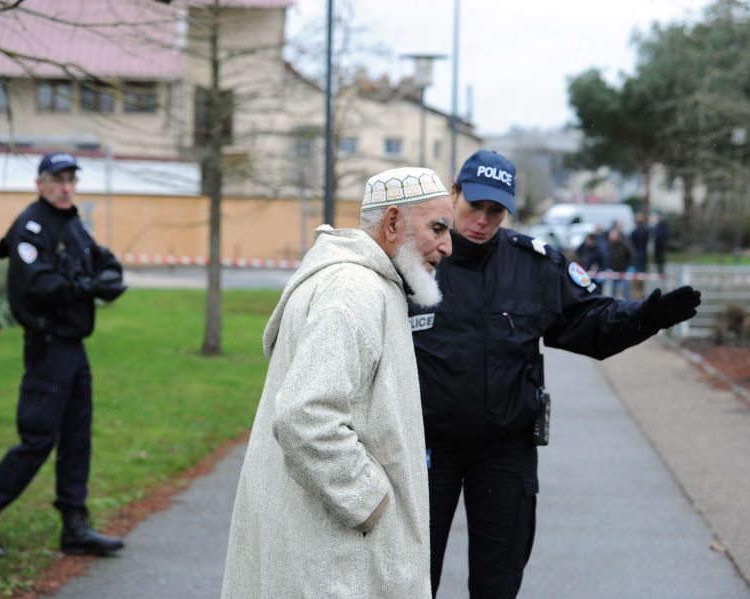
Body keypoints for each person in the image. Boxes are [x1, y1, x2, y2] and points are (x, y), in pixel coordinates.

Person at [408, 149, 701, 599]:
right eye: (474, 205)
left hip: (504, 450)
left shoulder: (533, 266)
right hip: (425, 449)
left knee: (498, 583)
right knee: (410, 579)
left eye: (495, 210)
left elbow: (589, 321)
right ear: (454, 192)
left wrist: (645, 317)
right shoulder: (414, 262)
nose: (482, 220)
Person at [221, 167, 454, 599]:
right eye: (438, 228)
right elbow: (306, 416)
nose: (447, 246)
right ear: (393, 222)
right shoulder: (353, 290)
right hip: (336, 559)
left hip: (330, 548)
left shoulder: (363, 283)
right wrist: (368, 501)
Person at [0, 152, 128, 558]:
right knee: (37, 439)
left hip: (73, 347)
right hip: (48, 348)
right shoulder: (30, 227)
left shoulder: (72, 223)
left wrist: (109, 274)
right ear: (40, 183)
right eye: (58, 179)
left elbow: (100, 258)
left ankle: (74, 526)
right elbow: (40, 285)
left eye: (71, 180)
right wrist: (89, 286)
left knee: (77, 437)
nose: (66, 188)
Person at [606, 228, 634, 299]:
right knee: (613, 291)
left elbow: (631, 256)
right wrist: (609, 267)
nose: (611, 237)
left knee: (626, 290)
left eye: (613, 236)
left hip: (624, 270)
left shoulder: (625, 245)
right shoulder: (609, 246)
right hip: (613, 271)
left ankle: (628, 303)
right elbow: (608, 258)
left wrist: (630, 266)